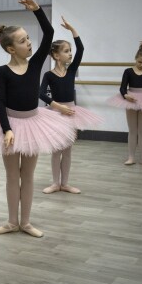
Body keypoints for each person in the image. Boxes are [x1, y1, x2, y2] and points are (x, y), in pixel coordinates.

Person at [0, 0, 75, 238]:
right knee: (12, 175)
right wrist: (6, 129)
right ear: (10, 49)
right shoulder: (3, 71)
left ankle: (25, 222)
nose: (29, 43)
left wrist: (37, 10)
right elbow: (2, 103)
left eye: (28, 39)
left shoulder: (36, 63)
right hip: (10, 126)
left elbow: (48, 33)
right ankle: (11, 221)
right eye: (23, 41)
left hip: (33, 124)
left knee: (27, 175)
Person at [39, 17, 103, 194]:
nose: (70, 54)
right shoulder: (49, 75)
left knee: (67, 150)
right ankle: (55, 183)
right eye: (66, 51)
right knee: (56, 150)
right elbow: (41, 93)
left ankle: (65, 183)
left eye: (70, 51)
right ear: (56, 55)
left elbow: (81, 49)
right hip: (56, 112)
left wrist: (73, 30)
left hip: (72, 112)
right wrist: (57, 107)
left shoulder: (72, 70)